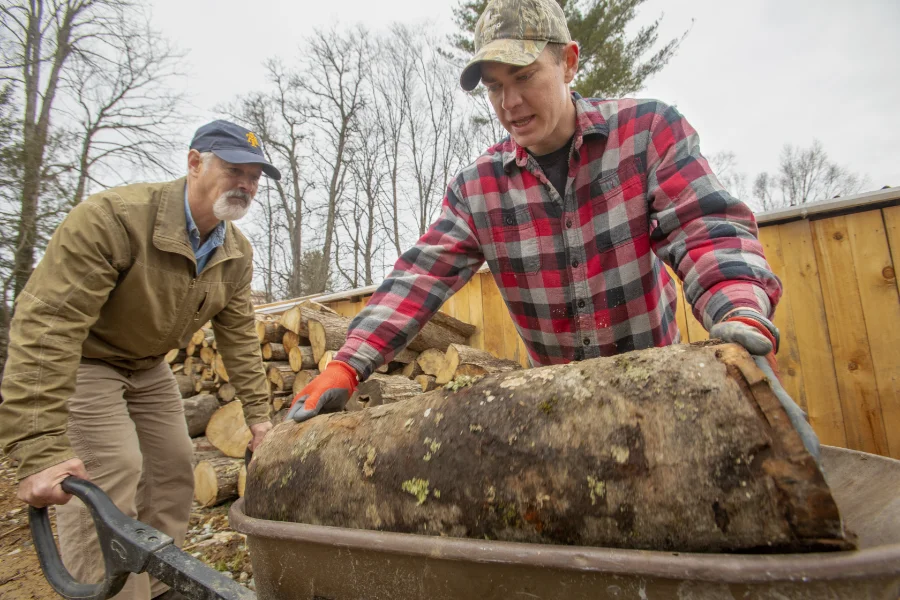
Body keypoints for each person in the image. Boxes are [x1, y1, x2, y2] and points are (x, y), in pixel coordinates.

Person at [287, 0, 784, 424]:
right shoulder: (477, 189)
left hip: (661, 393)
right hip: (558, 410)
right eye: (494, 87)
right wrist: (348, 364)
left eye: (524, 77)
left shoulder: (647, 131)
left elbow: (706, 228)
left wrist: (737, 306)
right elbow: (419, 276)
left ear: (569, 63)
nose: (510, 102)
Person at [0, 120, 278, 600]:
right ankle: (107, 591)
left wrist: (258, 417)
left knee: (173, 467)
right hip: (87, 360)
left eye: (254, 176)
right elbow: (48, 326)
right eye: (234, 169)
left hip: (148, 365)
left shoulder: (235, 251)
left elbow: (237, 338)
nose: (246, 185)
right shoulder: (115, 218)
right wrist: (40, 452)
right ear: (194, 163)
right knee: (111, 472)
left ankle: (155, 585)